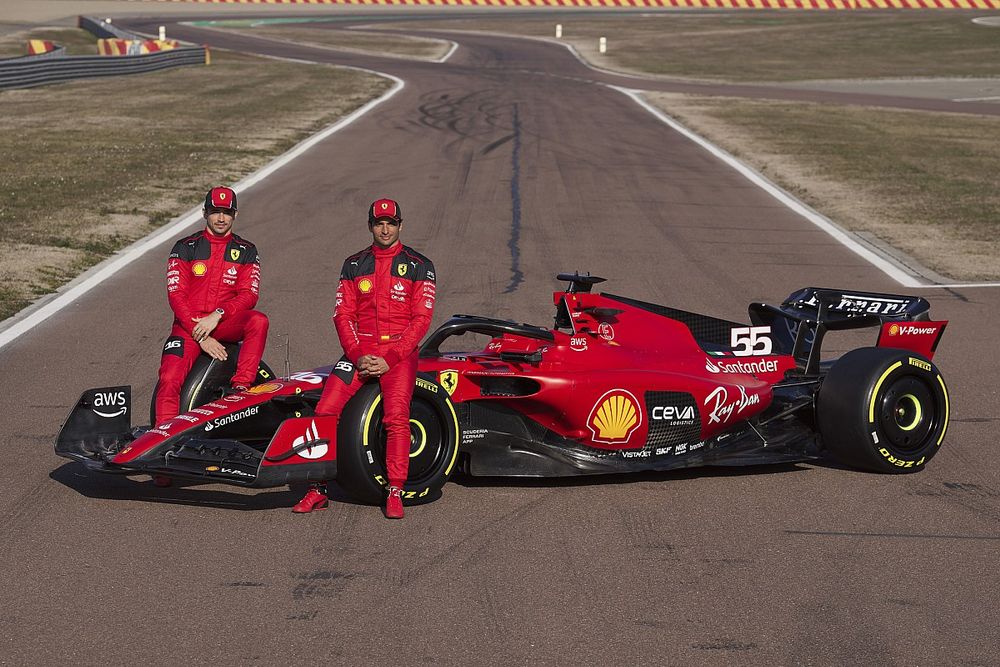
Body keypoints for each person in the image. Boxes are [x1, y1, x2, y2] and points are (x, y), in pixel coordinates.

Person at [293, 198, 436, 519]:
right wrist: (358, 355)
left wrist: (391, 358)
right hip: (359, 351)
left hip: (399, 354)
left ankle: (395, 489)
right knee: (324, 410)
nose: (385, 229)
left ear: (401, 225)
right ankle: (317, 489)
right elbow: (342, 315)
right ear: (370, 225)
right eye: (379, 223)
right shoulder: (354, 264)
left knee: (397, 418)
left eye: (391, 223)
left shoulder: (419, 265)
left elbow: (421, 320)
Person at [155, 186, 269, 425]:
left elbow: (249, 295)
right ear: (204, 213)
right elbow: (176, 295)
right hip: (188, 327)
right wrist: (200, 336)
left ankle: (240, 388)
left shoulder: (247, 251)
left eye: (226, 212)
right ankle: (162, 437)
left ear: (235, 215)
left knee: (258, 321)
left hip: (223, 323)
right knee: (169, 379)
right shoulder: (185, 247)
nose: (220, 218)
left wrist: (218, 314)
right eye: (215, 211)